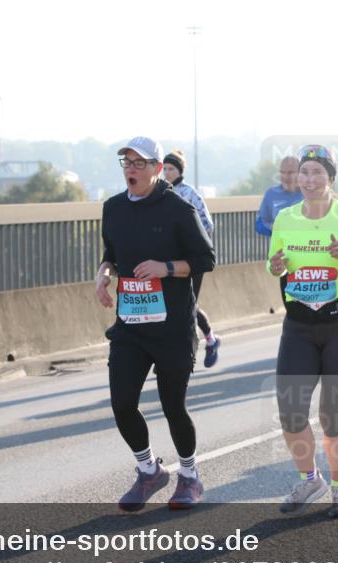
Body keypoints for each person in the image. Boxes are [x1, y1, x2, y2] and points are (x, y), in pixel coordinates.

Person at [96, 136, 216, 510]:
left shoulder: (178, 209)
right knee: (122, 403)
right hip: (130, 326)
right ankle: (149, 471)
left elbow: (205, 259)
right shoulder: (113, 208)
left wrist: (164, 268)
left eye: (138, 163)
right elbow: (111, 256)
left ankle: (190, 477)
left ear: (157, 169)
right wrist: (103, 274)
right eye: (126, 163)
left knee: (172, 406)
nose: (131, 169)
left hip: (172, 327)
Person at [267, 145, 338, 518]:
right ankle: (310, 478)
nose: (310, 180)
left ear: (330, 179)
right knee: (290, 413)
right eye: (304, 172)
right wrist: (275, 266)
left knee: (333, 417)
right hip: (299, 326)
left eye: (318, 173)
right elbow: (276, 266)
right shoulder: (285, 218)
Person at [162, 149, 221, 368]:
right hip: (168, 262)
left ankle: (206, 342)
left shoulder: (190, 194)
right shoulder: (160, 193)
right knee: (175, 304)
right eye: (164, 168)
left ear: (179, 170)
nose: (167, 173)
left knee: (189, 304)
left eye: (171, 169)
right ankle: (205, 341)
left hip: (192, 260)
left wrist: (191, 242)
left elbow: (208, 223)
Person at [255, 156, 303, 237]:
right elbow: (259, 224)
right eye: (282, 172)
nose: (285, 177)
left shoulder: (310, 194)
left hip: (306, 247)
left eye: (290, 173)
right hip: (280, 248)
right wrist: (274, 228)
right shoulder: (271, 194)